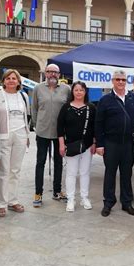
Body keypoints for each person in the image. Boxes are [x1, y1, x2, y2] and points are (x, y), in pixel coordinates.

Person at [95, 69, 134, 217]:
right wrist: (99, 144)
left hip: (128, 144)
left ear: (126, 81)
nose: (120, 82)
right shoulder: (105, 100)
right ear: (113, 81)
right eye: (118, 79)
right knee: (110, 173)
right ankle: (108, 203)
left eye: (123, 80)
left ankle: (126, 203)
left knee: (126, 174)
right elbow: (98, 123)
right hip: (111, 143)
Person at [0, 69, 30, 218]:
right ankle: (1, 203)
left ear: (19, 82)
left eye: (14, 78)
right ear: (4, 80)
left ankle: (13, 201)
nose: (11, 80)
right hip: (3, 136)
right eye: (8, 78)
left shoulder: (23, 96)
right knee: (4, 171)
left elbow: (27, 116)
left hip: (20, 134)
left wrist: (26, 136)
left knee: (15, 170)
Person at [32, 64, 71, 206]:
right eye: (49, 72)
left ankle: (57, 191)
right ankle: (38, 193)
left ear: (59, 75)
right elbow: (34, 108)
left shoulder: (66, 89)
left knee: (59, 163)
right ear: (45, 73)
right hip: (42, 132)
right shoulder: (38, 88)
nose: (52, 75)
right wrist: (37, 125)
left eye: (55, 72)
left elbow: (69, 109)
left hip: (60, 133)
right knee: (40, 163)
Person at [57, 81, 96, 212]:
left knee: (85, 172)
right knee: (71, 173)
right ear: (72, 92)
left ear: (85, 92)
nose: (79, 92)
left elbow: (95, 127)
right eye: (76, 90)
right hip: (70, 146)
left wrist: (95, 143)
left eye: (81, 90)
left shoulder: (91, 107)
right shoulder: (66, 107)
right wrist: (61, 144)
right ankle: (70, 199)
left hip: (87, 145)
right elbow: (60, 127)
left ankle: (84, 197)